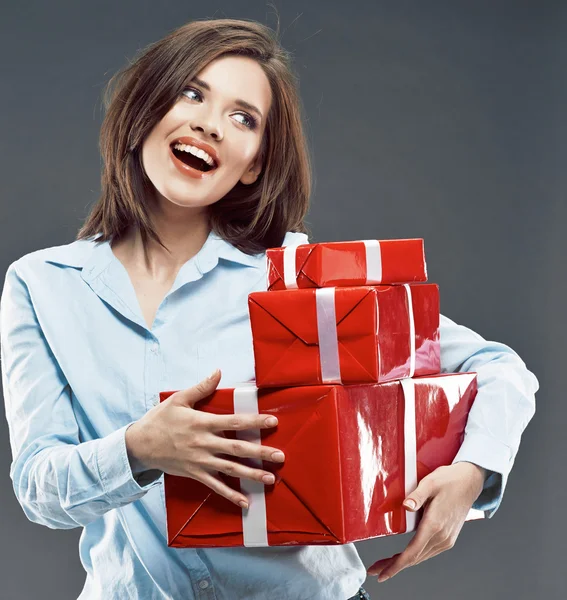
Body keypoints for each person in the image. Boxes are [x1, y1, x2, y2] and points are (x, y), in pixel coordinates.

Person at [0, 18, 538, 600]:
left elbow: (499, 367)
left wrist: (473, 471)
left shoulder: (293, 275)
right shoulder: (43, 285)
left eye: (243, 118)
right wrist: (139, 450)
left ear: (254, 162)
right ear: (145, 107)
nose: (209, 123)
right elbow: (38, 488)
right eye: (192, 92)